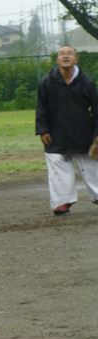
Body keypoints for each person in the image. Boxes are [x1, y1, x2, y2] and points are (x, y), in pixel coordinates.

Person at [36, 45, 98, 215]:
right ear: (57, 60)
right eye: (62, 54)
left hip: (83, 132)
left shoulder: (87, 82)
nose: (65, 56)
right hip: (57, 133)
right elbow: (41, 108)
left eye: (69, 53)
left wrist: (97, 133)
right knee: (58, 165)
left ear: (76, 59)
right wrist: (43, 130)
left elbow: (97, 108)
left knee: (92, 165)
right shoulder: (47, 82)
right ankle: (62, 201)